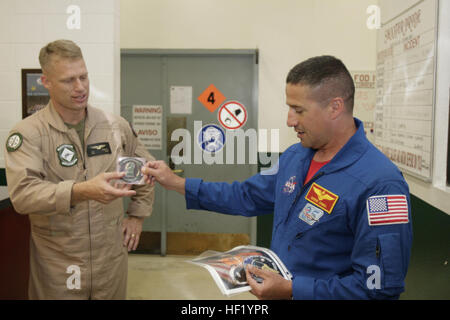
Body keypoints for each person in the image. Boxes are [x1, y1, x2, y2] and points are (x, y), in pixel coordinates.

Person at [142, 55, 413, 300]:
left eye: (299, 110)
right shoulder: (295, 157)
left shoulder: (380, 185)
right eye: (289, 108)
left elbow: (378, 290)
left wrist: (294, 290)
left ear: (335, 107)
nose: (289, 120)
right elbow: (246, 195)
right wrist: (177, 183)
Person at [4, 40, 155, 299]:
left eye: (83, 77)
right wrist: (81, 191)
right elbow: (23, 195)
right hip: (59, 261)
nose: (80, 87)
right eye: (68, 80)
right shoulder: (28, 133)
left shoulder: (114, 126)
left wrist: (137, 216)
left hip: (110, 259)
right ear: (46, 82)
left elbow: (142, 169)